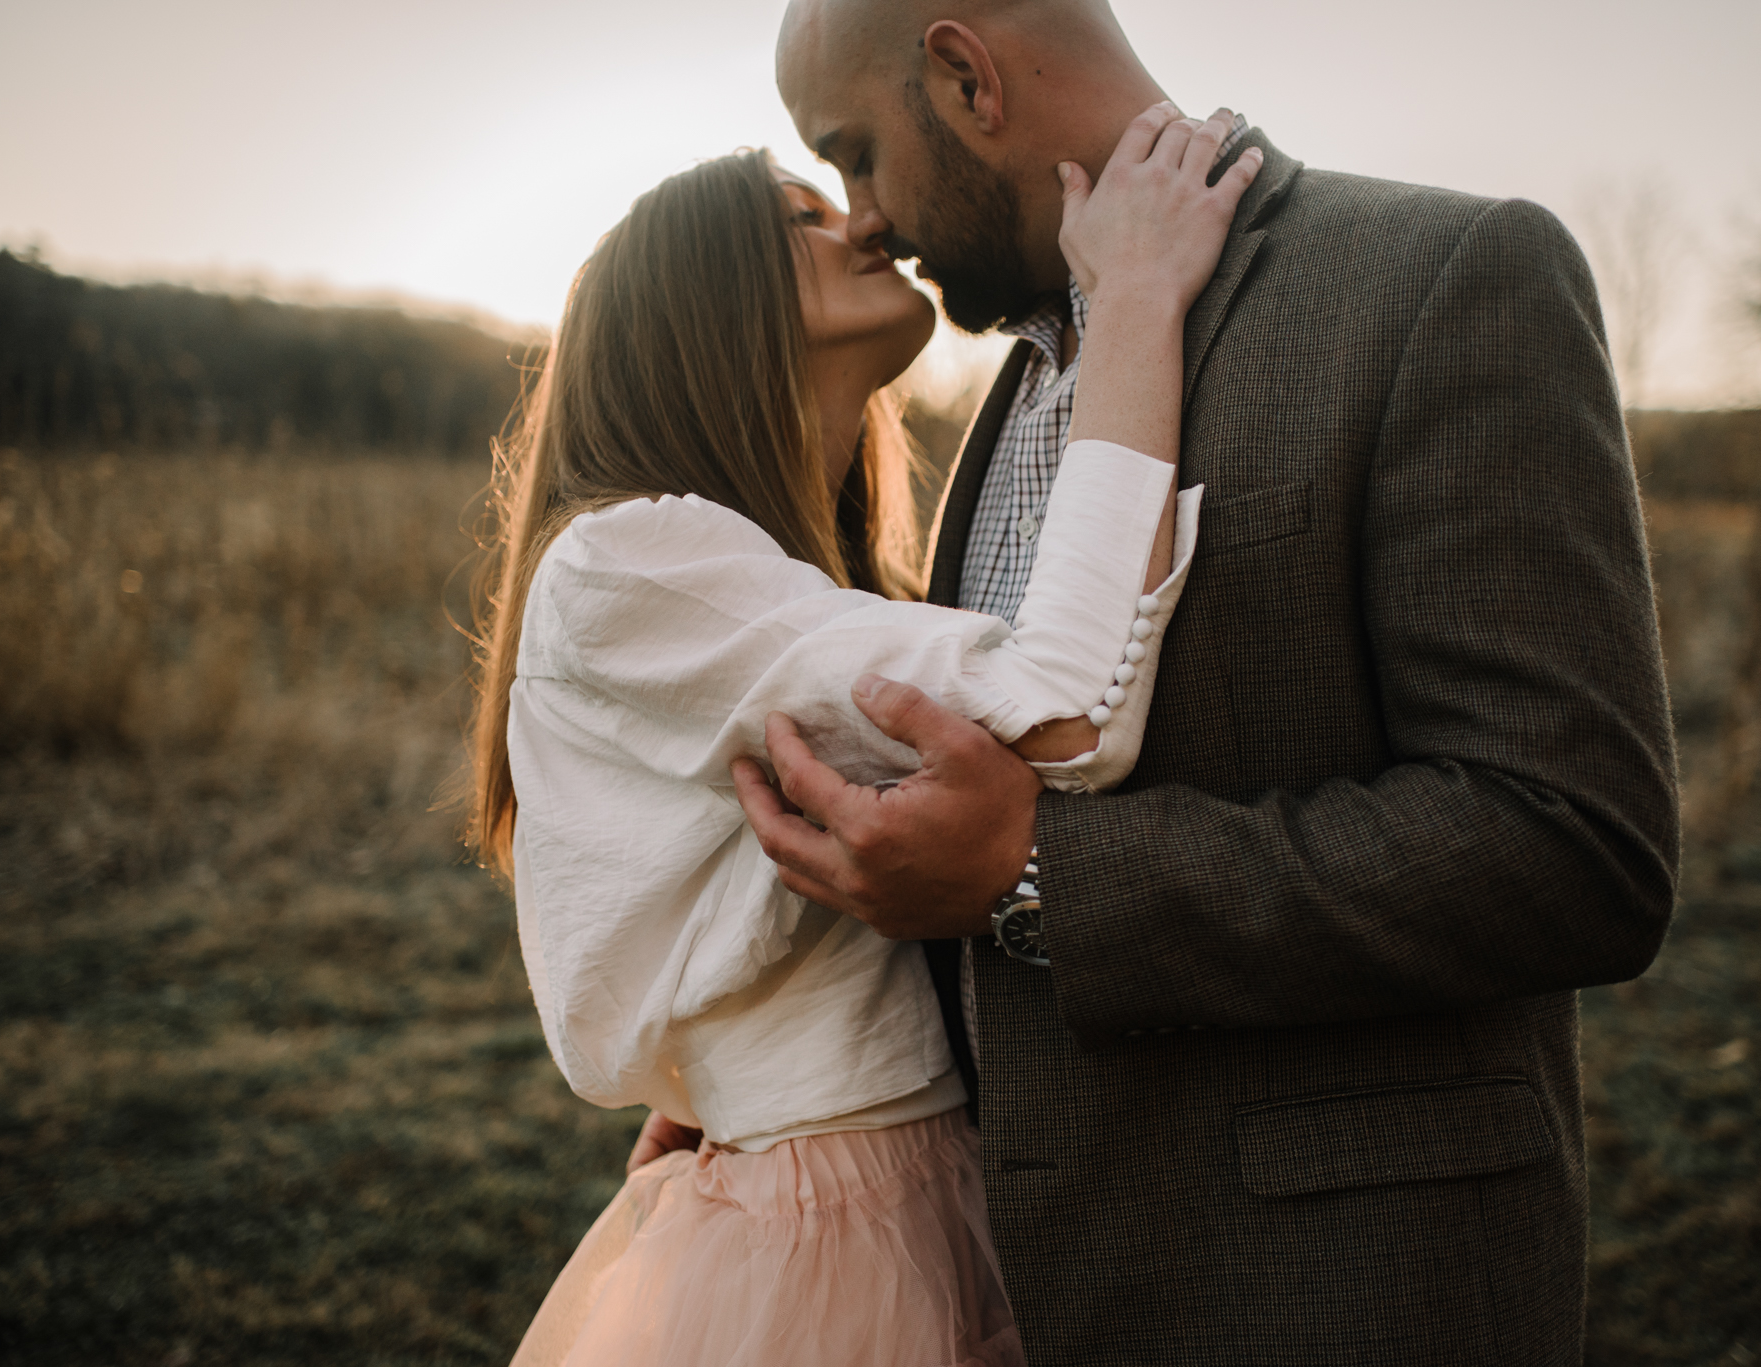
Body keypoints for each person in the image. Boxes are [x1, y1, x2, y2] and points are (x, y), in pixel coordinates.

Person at [701, 1, 1684, 1363]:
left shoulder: (1441, 275)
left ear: (965, 75)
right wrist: (773, 1075)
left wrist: (1040, 876)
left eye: (855, 152)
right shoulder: (1006, 393)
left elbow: (1574, 843)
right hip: (1029, 1296)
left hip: (1338, 1299)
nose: (863, 214)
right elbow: (964, 816)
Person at [465, 110, 1262, 1366]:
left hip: (905, 1182)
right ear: (703, 301)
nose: (862, 222)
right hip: (827, 1229)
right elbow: (1065, 708)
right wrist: (1138, 296)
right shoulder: (633, 560)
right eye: (804, 211)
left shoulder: (785, 576)